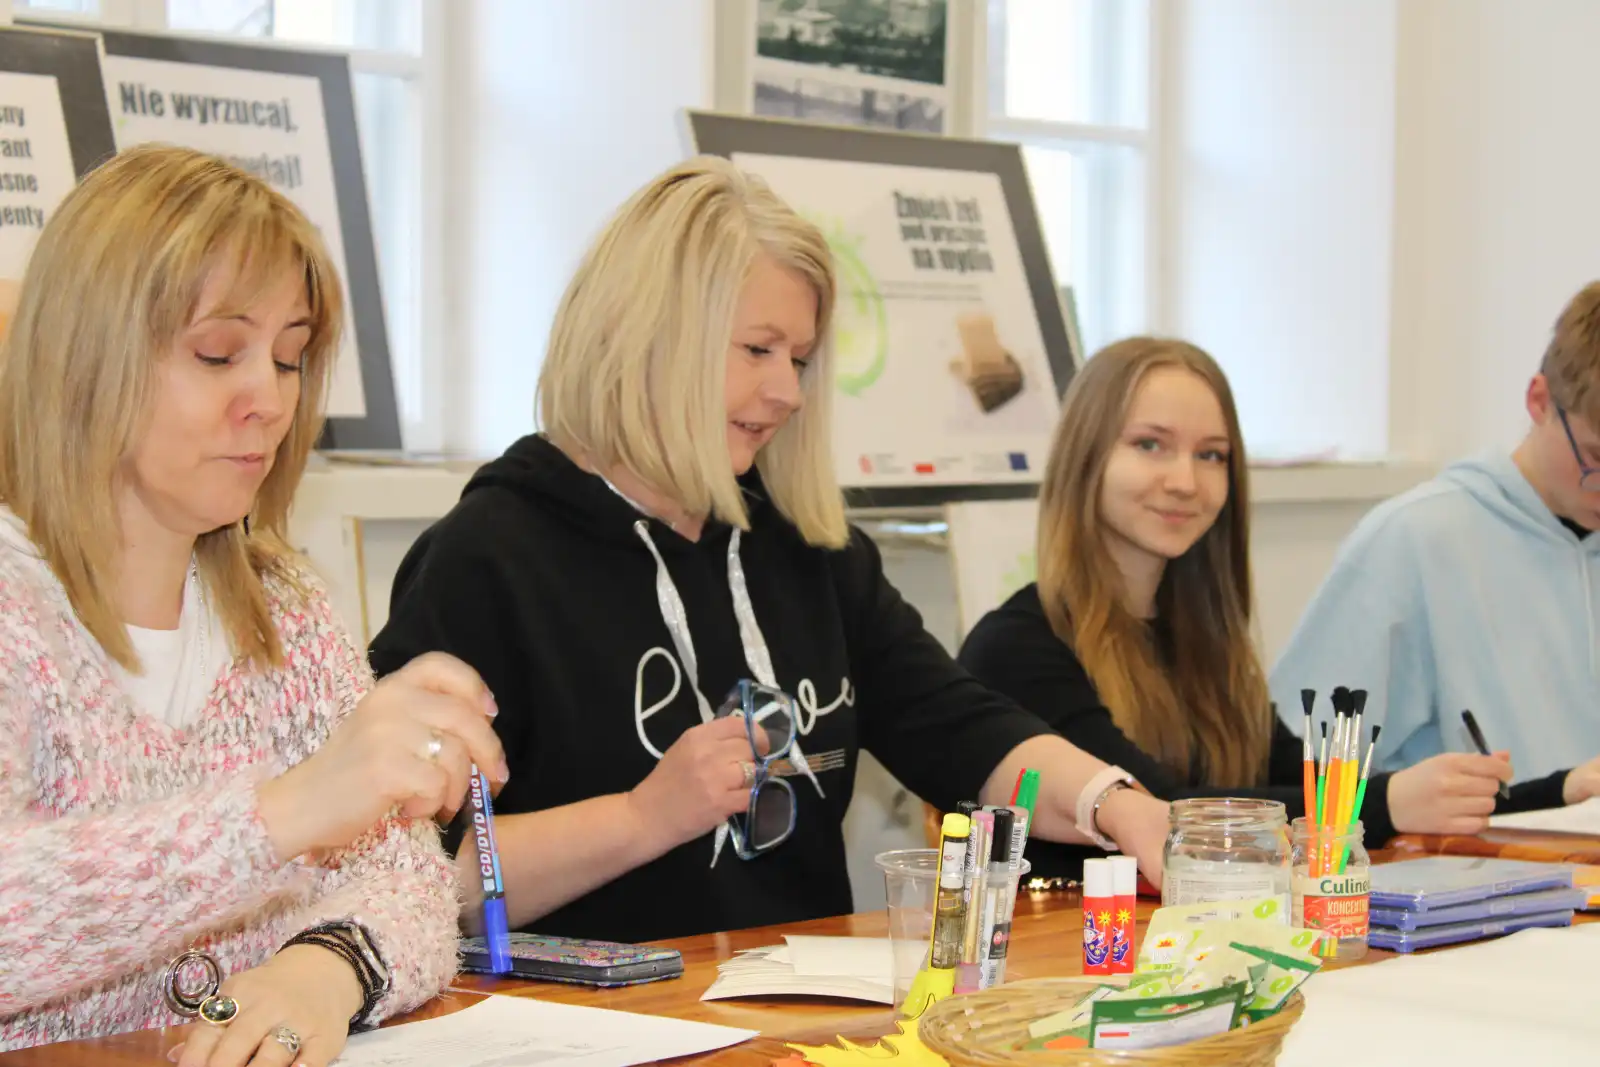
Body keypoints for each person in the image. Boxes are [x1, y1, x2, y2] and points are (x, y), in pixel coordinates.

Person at [369, 156, 1173, 945]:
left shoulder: (808, 549)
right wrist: (641, 819)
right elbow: (401, 879)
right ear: (650, 338)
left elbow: (961, 725)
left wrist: (1115, 801)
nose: (787, 391)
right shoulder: (487, 561)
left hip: (797, 1016)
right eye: (758, 350)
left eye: (799, 359)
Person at [0, 145, 504, 1066]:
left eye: (289, 358)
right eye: (218, 353)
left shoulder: (285, 604)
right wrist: (280, 815)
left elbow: (408, 879)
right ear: (84, 355)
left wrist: (328, 963)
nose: (269, 401)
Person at [958, 338, 1590, 884]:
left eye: (1211, 455)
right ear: (1084, 459)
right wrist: (1390, 802)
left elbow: (1299, 778)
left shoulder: (1202, 643)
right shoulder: (1019, 646)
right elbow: (1162, 810)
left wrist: (1559, 790)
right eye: (1150, 445)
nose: (1185, 480)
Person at [1270, 283, 1600, 802]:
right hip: (1463, 872)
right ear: (1539, 400)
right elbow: (1301, 775)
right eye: (1595, 458)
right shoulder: (1413, 540)